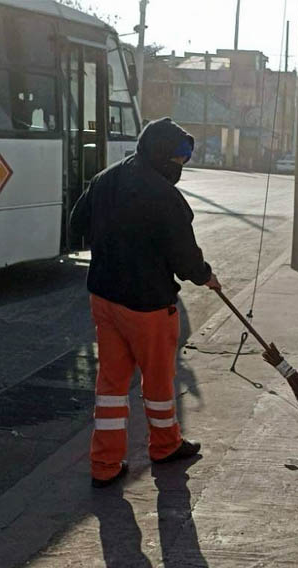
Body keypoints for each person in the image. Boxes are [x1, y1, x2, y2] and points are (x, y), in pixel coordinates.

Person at [70, 117, 220, 488]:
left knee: (111, 384)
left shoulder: (106, 179)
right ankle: (165, 446)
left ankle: (104, 464)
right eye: (179, 159)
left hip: (104, 297)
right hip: (148, 306)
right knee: (157, 382)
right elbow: (185, 259)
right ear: (164, 155)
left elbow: (76, 224)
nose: (181, 167)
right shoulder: (166, 198)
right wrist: (205, 276)